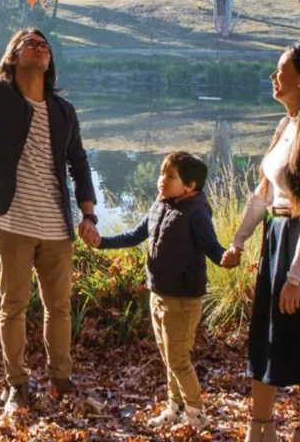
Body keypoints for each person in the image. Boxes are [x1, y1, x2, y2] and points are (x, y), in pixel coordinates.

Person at [0, 0, 100, 414]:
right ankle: (17, 386)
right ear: (15, 57)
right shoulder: (1, 100)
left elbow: (79, 163)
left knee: (59, 310)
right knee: (14, 307)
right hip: (13, 224)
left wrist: (89, 215)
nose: (40, 46)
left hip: (58, 228)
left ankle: (61, 380)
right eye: (30, 42)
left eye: (45, 44)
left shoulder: (63, 110)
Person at [222, 45, 300, 442]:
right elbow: (263, 194)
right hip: (276, 239)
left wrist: (297, 275)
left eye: (280, 70)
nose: (273, 76)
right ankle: (260, 431)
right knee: (269, 338)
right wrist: (240, 241)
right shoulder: (285, 126)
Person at [95, 152, 237, 431]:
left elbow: (212, 247)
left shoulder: (196, 212)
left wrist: (226, 258)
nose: (162, 180)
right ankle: (175, 408)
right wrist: (101, 242)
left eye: (171, 176)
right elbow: (135, 235)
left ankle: (196, 414)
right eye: (162, 173)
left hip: (183, 300)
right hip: (158, 295)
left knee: (179, 359)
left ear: (190, 186)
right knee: (168, 357)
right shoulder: (160, 204)